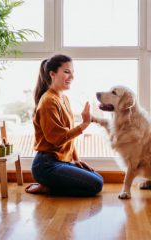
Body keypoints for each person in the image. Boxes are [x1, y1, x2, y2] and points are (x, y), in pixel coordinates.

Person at [25, 54, 103, 196]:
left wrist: (76, 159)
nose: (71, 77)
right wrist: (84, 124)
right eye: (67, 72)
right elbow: (57, 139)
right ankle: (47, 187)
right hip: (46, 165)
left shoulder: (63, 98)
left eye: (73, 73)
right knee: (96, 185)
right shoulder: (48, 101)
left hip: (62, 160)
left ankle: (50, 185)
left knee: (98, 179)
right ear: (52, 74)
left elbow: (68, 137)